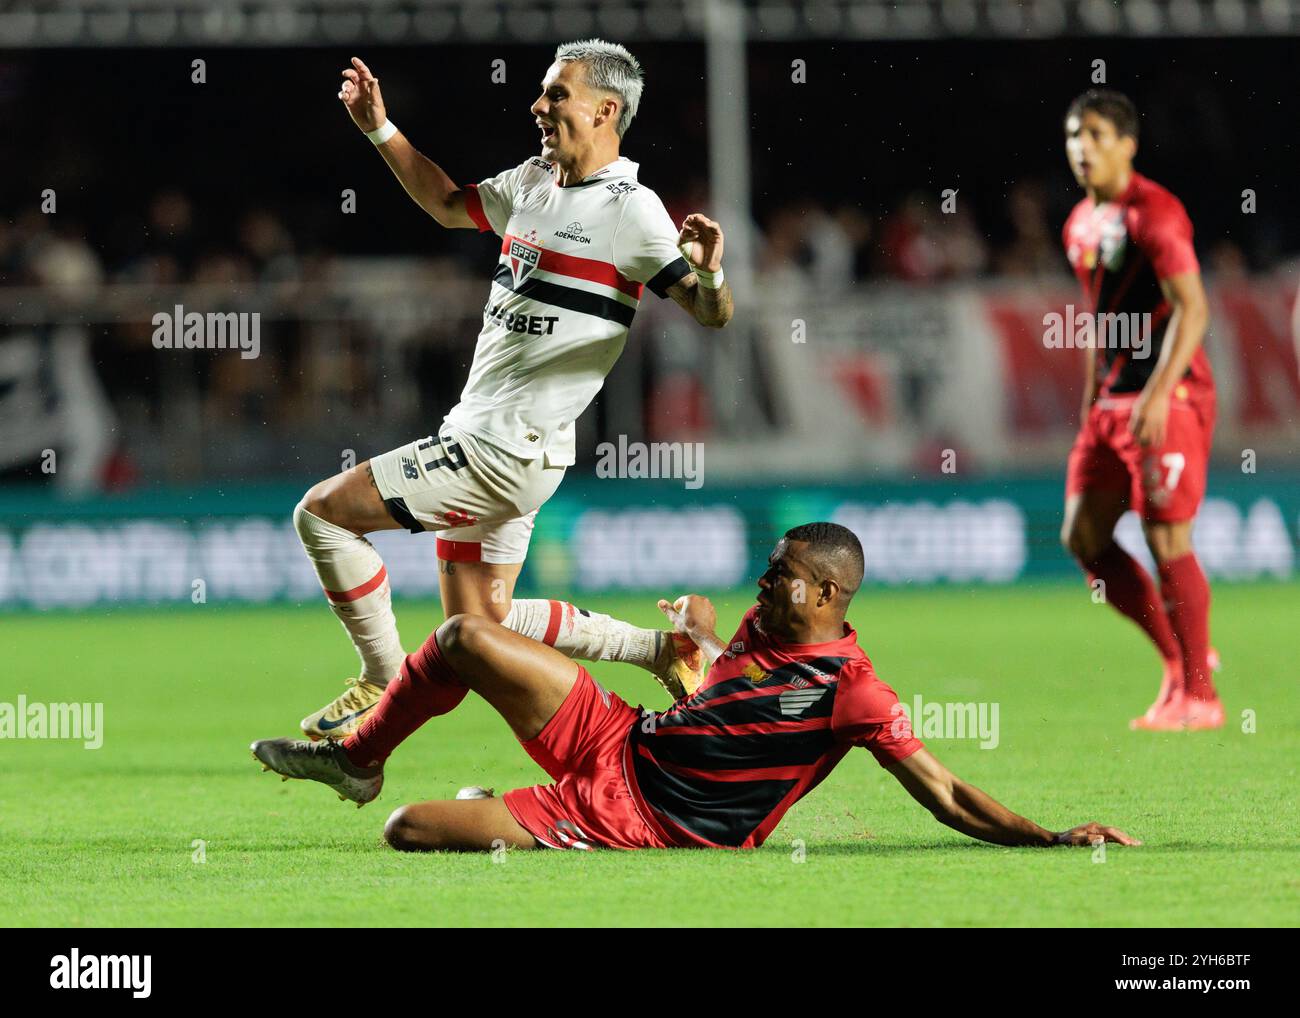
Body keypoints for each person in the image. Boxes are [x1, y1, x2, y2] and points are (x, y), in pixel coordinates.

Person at [293, 40, 733, 741]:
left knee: (322, 514)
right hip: (511, 446)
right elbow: (443, 202)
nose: (539, 105)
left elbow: (710, 314)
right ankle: (660, 649)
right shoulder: (534, 181)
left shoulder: (633, 210)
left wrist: (708, 275)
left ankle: (380, 678)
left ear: (605, 109)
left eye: (557, 95)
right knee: (480, 626)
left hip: (499, 448)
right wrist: (380, 128)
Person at [253, 523, 1139, 853]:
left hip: (638, 820)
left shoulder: (856, 694)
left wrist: (1054, 837)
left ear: (829, 596)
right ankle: (359, 759)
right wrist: (706, 640)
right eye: (769, 567)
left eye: (783, 575)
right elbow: (719, 691)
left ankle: (481, 807)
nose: (766, 581)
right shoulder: (761, 630)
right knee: (464, 637)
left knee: (411, 831)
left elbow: (946, 795)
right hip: (618, 739)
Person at [1059, 90, 1221, 730]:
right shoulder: (1078, 223)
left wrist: (1156, 394)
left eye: (1096, 134)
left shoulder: (1155, 211)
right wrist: (1089, 401)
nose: (1083, 147)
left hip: (1167, 396)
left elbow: (1195, 307)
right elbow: (1099, 323)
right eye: (1075, 135)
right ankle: (1179, 662)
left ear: (1128, 144)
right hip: (1110, 403)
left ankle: (1203, 697)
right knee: (1083, 537)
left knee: (1165, 536)